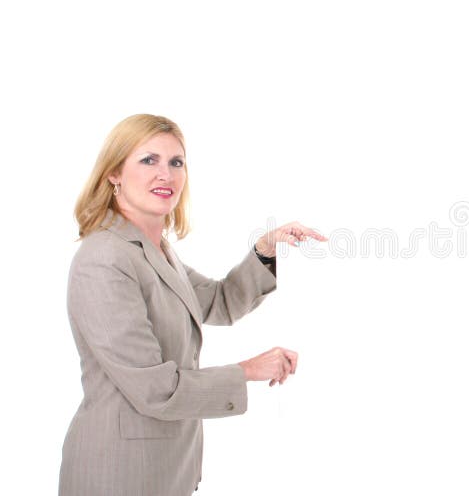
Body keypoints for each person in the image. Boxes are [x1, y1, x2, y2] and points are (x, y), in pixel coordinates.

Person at [59, 114, 326, 496]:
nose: (165, 174)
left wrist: (265, 250)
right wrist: (248, 370)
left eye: (176, 162)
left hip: (167, 471)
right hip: (117, 476)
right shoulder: (105, 259)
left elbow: (220, 302)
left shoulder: (156, 252)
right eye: (148, 160)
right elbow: (156, 390)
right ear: (115, 173)